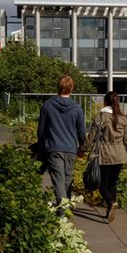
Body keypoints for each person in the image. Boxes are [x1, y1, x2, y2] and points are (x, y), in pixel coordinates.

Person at [81, 91, 127, 223]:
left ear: (105, 102)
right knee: (112, 183)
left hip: (104, 154)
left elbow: (91, 137)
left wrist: (82, 149)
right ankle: (110, 210)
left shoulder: (100, 117)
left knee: (102, 185)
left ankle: (111, 203)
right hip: (119, 155)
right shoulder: (123, 118)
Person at [37, 75, 86, 209]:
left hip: (53, 147)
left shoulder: (47, 105)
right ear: (71, 89)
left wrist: (40, 145)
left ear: (57, 87)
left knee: (58, 179)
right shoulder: (77, 108)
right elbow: (81, 131)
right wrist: (83, 147)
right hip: (70, 147)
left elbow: (41, 129)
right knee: (67, 179)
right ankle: (64, 207)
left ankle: (62, 209)